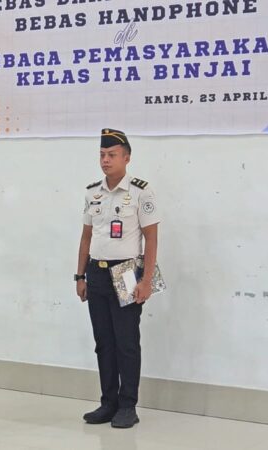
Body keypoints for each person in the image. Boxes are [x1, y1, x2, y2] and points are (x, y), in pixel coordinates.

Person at [75, 129, 161, 428]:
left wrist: (146, 280)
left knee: (126, 342)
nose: (105, 160)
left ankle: (128, 405)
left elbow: (151, 239)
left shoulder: (141, 192)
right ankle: (108, 402)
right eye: (102, 155)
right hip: (96, 272)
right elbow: (86, 237)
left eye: (112, 155)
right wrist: (80, 275)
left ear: (127, 158)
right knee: (104, 342)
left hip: (127, 271)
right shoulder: (92, 192)